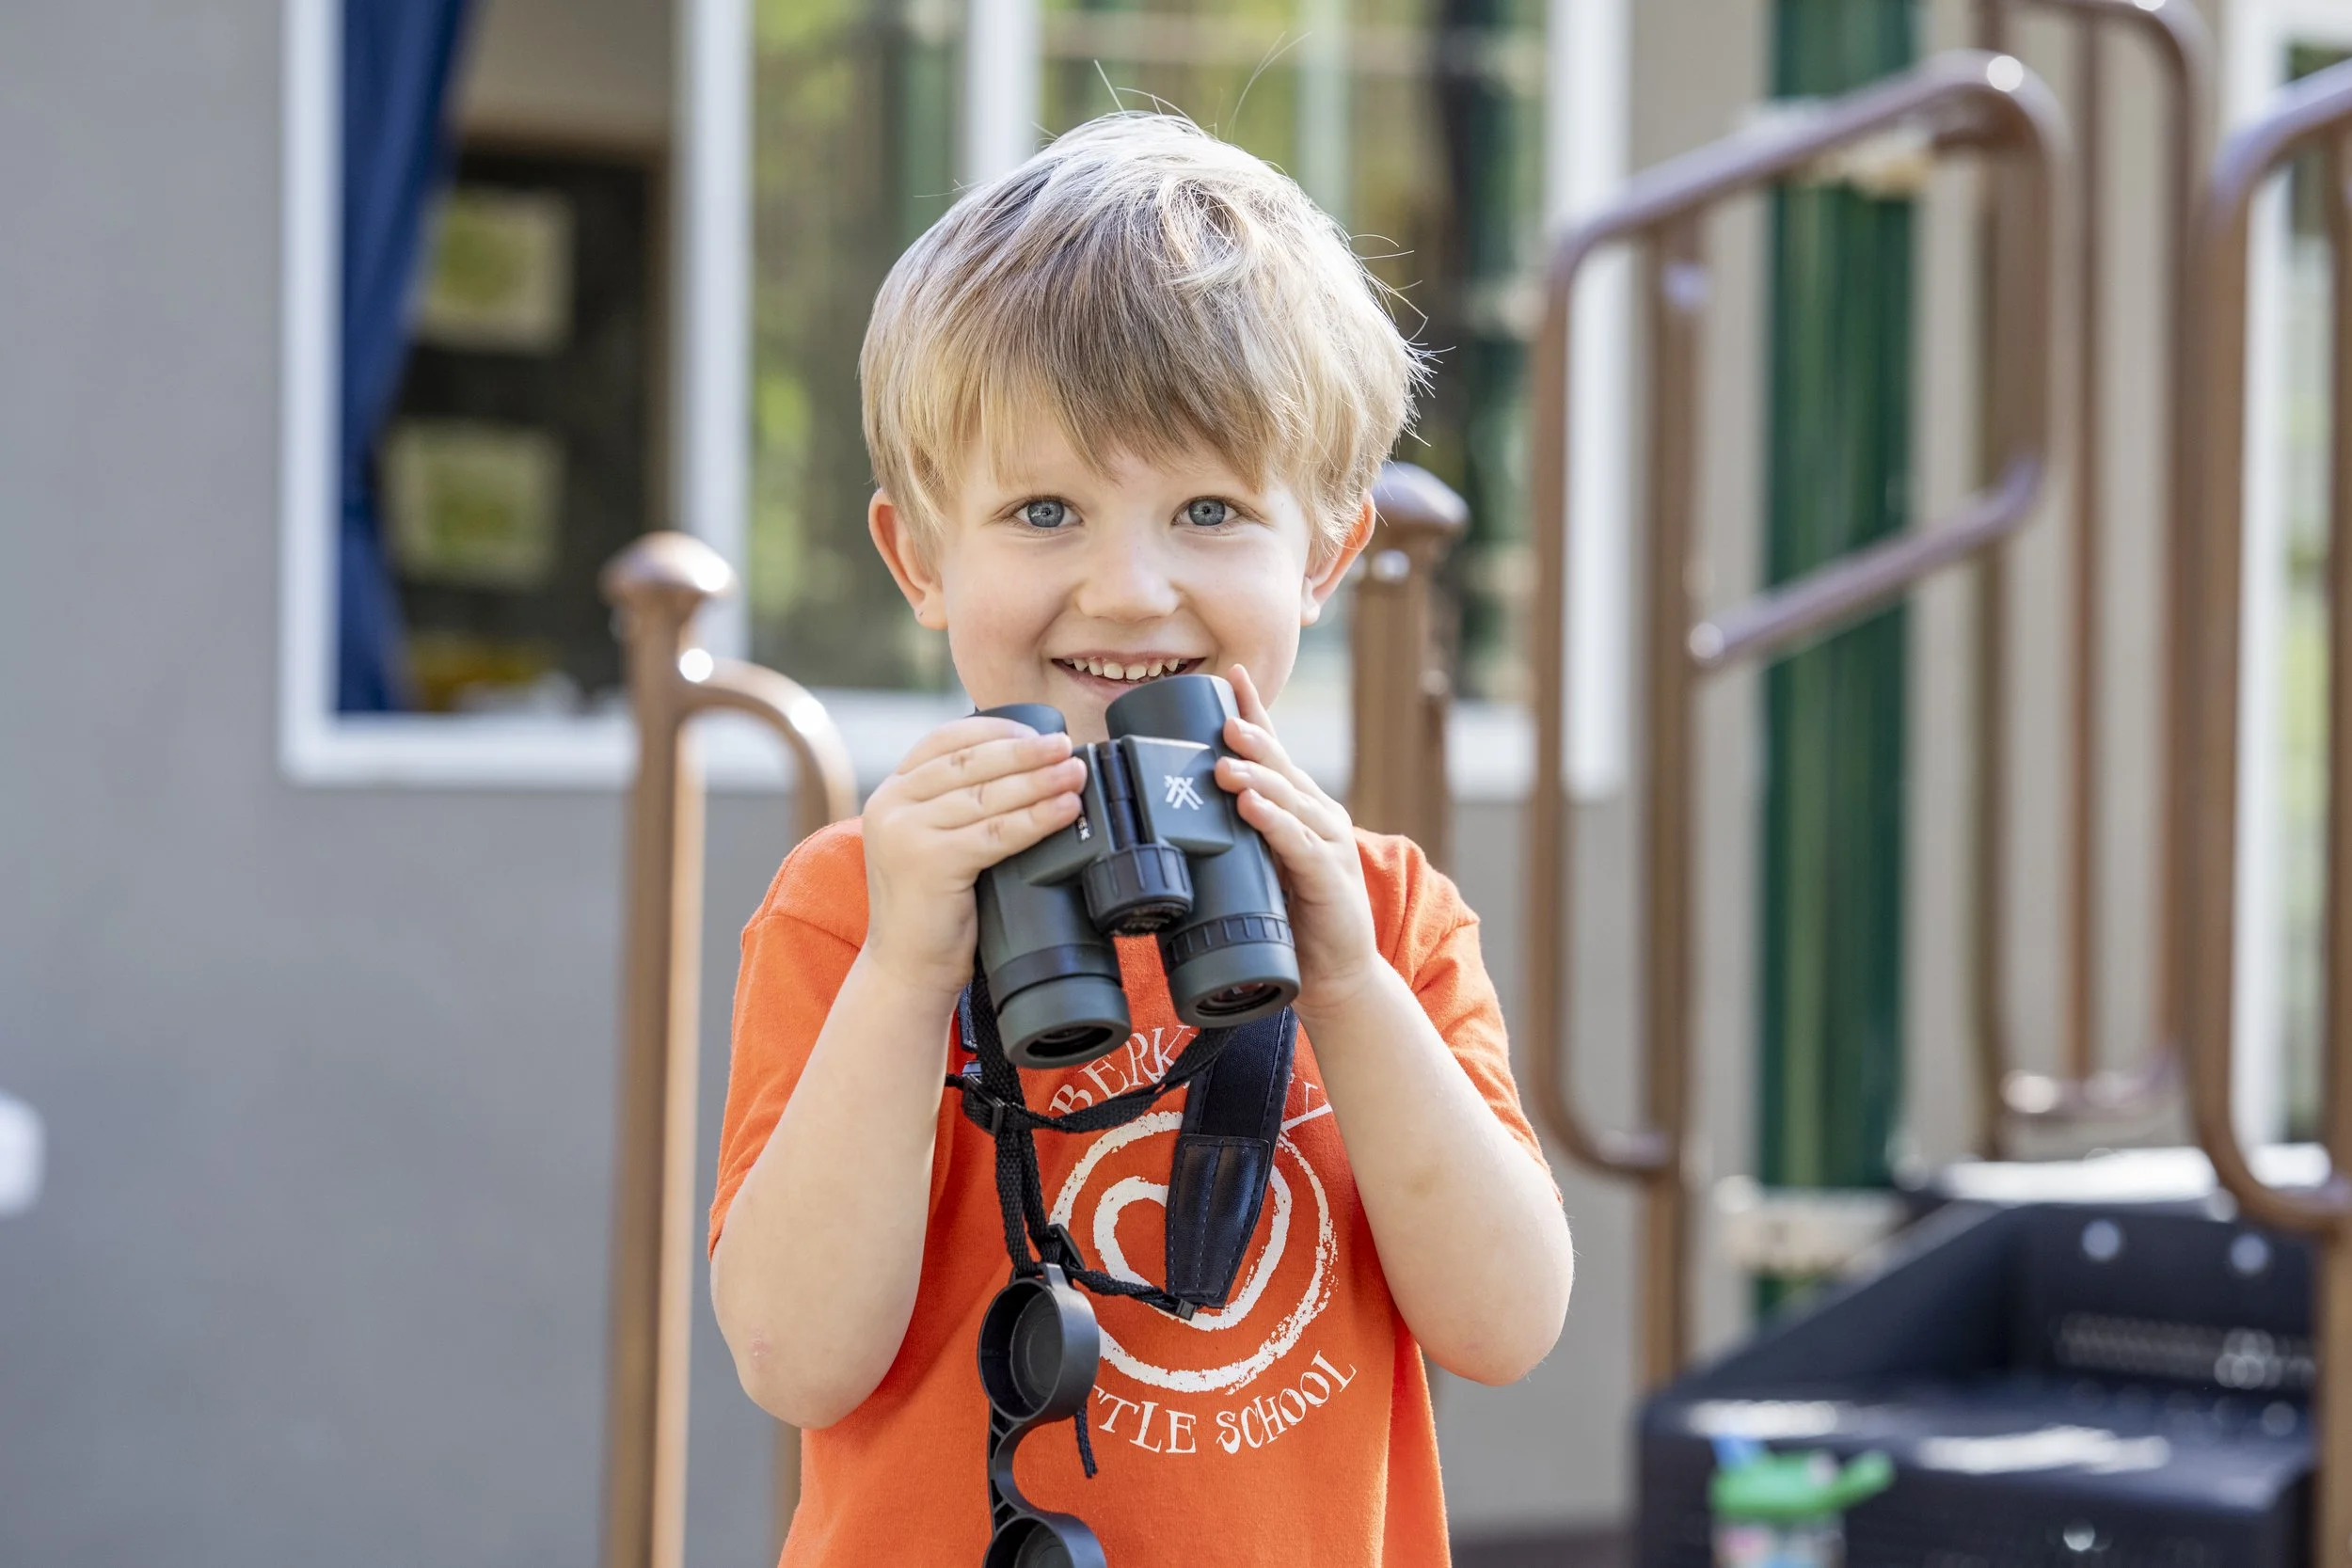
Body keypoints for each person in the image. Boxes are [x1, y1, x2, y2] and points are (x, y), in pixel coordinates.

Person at [707, 112, 1574, 1565]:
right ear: (922, 557)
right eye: (1043, 510)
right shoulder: (853, 904)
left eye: (1209, 510)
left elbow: (1509, 1321)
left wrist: (1346, 979)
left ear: (1326, 558)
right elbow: (796, 1358)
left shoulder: (1385, 911)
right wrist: (915, 965)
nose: (1126, 587)